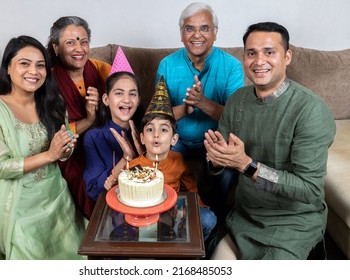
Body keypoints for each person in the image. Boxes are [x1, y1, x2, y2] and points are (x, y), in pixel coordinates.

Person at [205, 22, 336, 259]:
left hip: (293, 223)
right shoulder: (237, 101)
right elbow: (221, 163)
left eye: (269, 52)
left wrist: (247, 165)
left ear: (287, 57)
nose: (259, 61)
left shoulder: (310, 111)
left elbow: (308, 190)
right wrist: (216, 159)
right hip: (245, 217)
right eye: (251, 53)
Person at [0, 36, 86, 259]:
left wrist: (65, 149)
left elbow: (63, 154)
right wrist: (50, 155)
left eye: (40, 65)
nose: (34, 71)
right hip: (17, 202)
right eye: (24, 63)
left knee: (81, 252)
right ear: (8, 67)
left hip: (55, 194)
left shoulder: (52, 102)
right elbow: (0, 167)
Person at [156, 2, 244, 217]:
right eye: (189, 28)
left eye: (204, 28)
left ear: (215, 32)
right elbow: (158, 117)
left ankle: (210, 219)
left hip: (214, 139)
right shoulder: (167, 64)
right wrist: (186, 109)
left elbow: (237, 119)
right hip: (177, 139)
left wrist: (203, 102)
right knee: (157, 167)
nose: (197, 35)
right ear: (181, 34)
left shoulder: (232, 66)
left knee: (227, 174)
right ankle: (171, 217)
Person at [129, 76, 217, 241]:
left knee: (209, 218)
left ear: (174, 139)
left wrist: (194, 205)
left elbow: (190, 188)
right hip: (147, 215)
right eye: (150, 130)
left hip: (175, 211)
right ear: (142, 138)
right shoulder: (134, 167)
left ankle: (190, 254)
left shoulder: (178, 159)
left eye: (163, 130)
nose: (156, 134)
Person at [47, 16, 111, 219]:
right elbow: (52, 134)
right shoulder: (47, 82)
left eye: (83, 42)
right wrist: (89, 120)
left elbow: (126, 108)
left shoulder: (102, 70)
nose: (79, 49)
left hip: (106, 140)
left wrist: (103, 108)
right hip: (72, 151)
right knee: (85, 180)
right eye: (70, 42)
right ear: (55, 47)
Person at [83, 68, 143, 201]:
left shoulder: (146, 133)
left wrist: (143, 154)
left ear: (138, 100)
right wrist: (126, 159)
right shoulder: (93, 137)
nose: (126, 100)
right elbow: (93, 190)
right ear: (106, 99)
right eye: (119, 93)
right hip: (111, 205)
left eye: (132, 94)